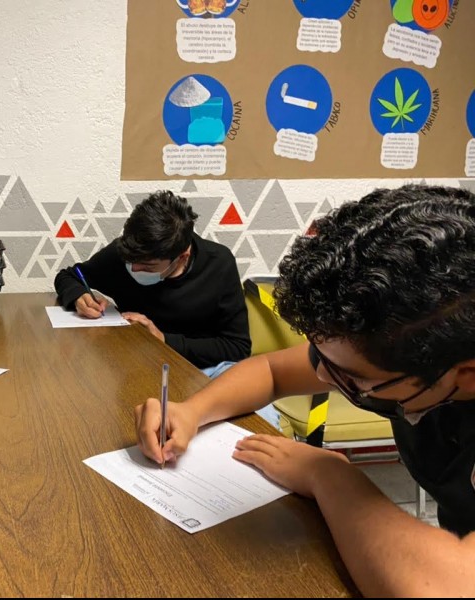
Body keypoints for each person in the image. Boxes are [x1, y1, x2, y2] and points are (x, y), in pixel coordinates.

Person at [134, 183, 475, 597]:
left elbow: (449, 586)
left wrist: (327, 474)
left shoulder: (429, 349)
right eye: (320, 355)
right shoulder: (412, 358)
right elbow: (272, 372)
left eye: (352, 378)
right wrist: (191, 411)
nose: (323, 378)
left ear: (466, 374)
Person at [54, 190, 250, 375]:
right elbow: (69, 276)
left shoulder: (218, 264)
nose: (134, 269)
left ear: (181, 257)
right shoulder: (126, 252)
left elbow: (238, 348)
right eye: (130, 261)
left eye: (148, 267)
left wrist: (163, 339)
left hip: (200, 370)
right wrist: (78, 296)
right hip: (136, 368)